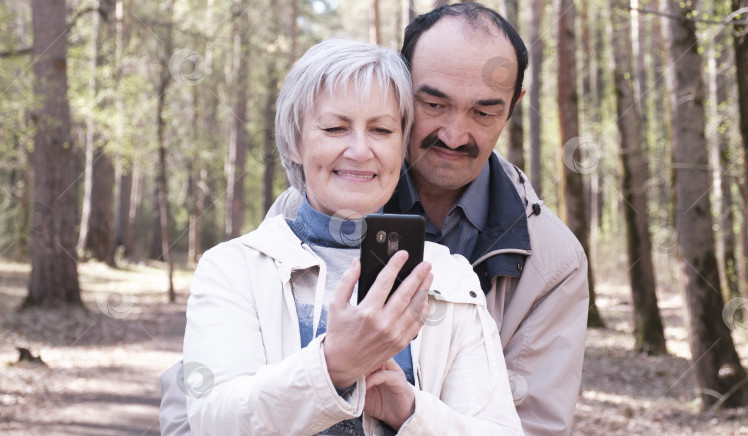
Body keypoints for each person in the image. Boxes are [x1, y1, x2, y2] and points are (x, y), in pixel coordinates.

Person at [172, 38, 522, 435]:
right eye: (336, 128)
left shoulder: (448, 277)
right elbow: (214, 421)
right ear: (294, 142)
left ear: (400, 147)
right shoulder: (235, 269)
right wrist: (333, 367)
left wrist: (410, 412)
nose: (360, 150)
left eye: (381, 130)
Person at [269, 4, 589, 435]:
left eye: (483, 112)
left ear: (514, 106)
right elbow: (223, 391)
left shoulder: (553, 259)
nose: (454, 135)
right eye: (434, 103)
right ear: (401, 91)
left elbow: (533, 426)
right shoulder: (303, 210)